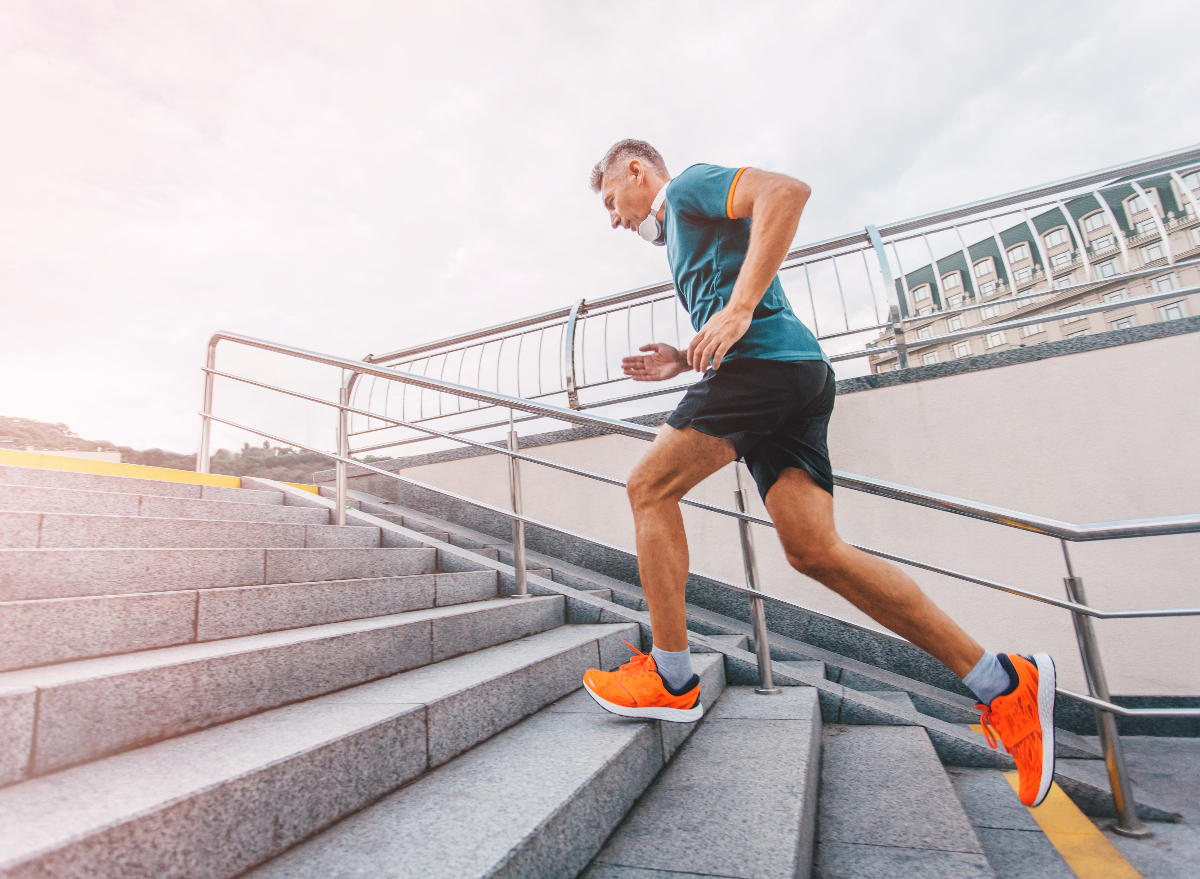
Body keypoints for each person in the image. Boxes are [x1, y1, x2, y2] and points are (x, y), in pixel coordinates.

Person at [579, 139, 1057, 808]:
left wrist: (739, 311)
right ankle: (1004, 681)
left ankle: (671, 676)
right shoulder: (687, 235)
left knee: (647, 486)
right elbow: (737, 301)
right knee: (815, 551)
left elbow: (786, 192)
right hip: (795, 376)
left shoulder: (686, 188)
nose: (614, 219)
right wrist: (684, 359)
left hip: (766, 369)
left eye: (610, 201)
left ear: (637, 171)